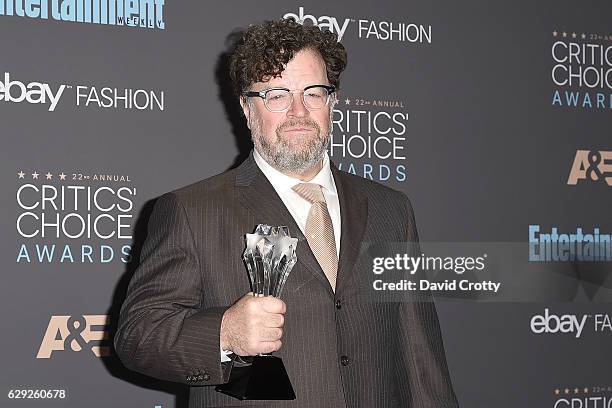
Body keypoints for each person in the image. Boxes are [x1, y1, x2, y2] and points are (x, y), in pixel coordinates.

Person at [114, 18, 459, 408]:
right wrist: (224, 334)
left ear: (333, 101)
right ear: (247, 108)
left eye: (313, 93)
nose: (298, 111)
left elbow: (419, 355)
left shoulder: (391, 209)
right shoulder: (192, 211)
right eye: (276, 94)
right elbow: (137, 337)